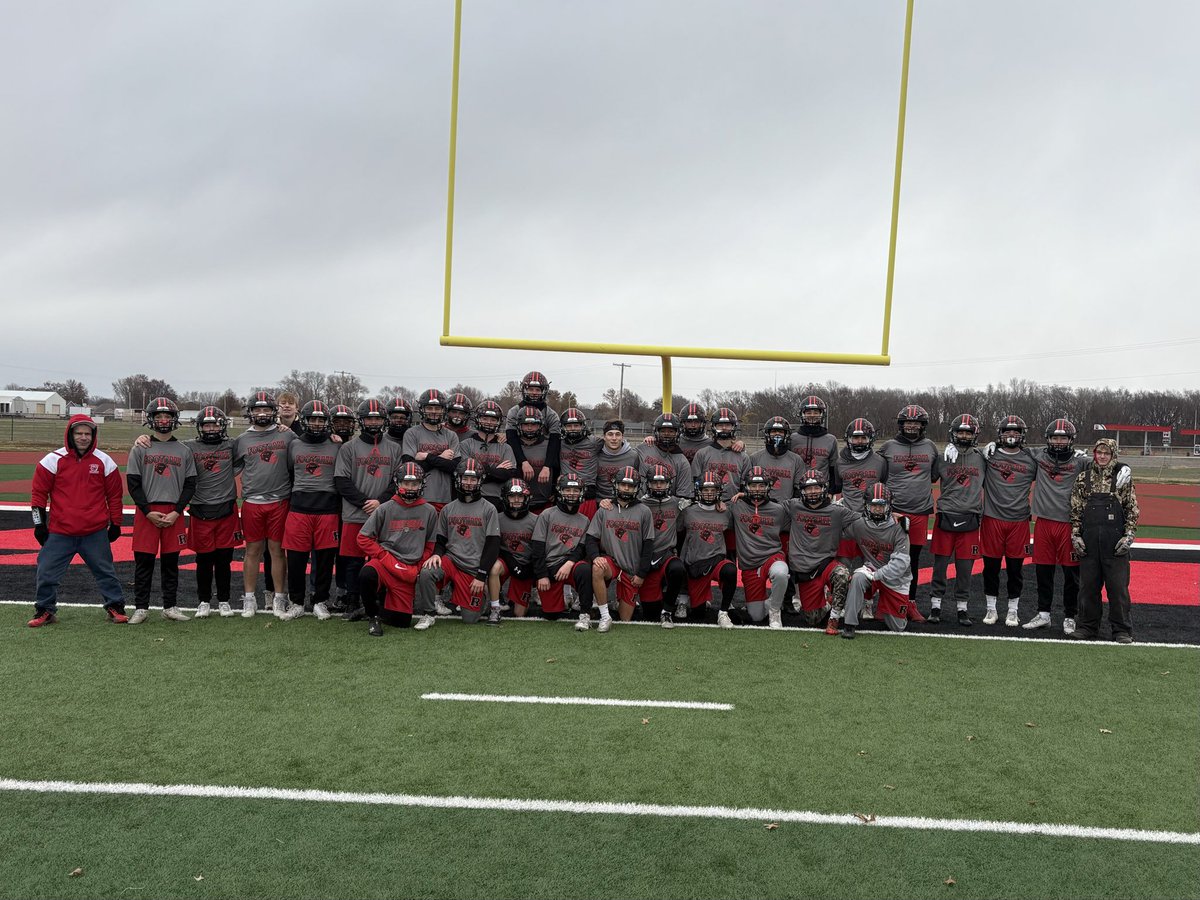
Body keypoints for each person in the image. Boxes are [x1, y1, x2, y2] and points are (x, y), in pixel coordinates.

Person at [27, 415, 128, 627]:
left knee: (106, 572)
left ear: (93, 436)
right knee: (46, 572)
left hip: (95, 531)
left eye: (87, 434)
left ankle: (115, 606)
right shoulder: (52, 460)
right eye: (79, 433)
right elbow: (38, 495)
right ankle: (45, 610)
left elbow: (114, 496)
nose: (83, 437)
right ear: (70, 435)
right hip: (60, 531)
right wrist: (39, 524)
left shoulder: (105, 461)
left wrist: (116, 523)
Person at [126, 397, 196, 624]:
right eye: (159, 416)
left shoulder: (184, 450)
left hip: (173, 512)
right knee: (144, 563)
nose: (164, 420)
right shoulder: (140, 448)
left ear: (174, 419)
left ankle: (170, 606)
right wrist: (147, 511)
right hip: (147, 512)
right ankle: (141, 608)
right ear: (151, 419)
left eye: (167, 416)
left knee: (170, 563)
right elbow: (133, 483)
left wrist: (178, 511)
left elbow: (190, 485)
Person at [356, 463, 441, 637]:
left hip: (409, 567)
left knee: (401, 622)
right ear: (398, 483)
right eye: (406, 483)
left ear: (421, 484)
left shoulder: (429, 511)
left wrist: (418, 566)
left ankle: (373, 608)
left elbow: (430, 544)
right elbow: (362, 538)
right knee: (366, 575)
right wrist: (383, 555)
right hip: (385, 561)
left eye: (414, 483)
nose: (410, 487)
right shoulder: (385, 508)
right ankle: (373, 616)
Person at [334, 399, 401, 621]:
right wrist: (366, 502)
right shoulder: (348, 448)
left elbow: (398, 481)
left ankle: (378, 599)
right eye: (369, 418)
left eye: (378, 418)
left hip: (383, 514)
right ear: (361, 421)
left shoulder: (394, 448)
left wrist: (380, 502)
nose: (374, 422)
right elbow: (342, 481)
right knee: (353, 561)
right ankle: (353, 599)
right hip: (355, 514)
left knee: (381, 560)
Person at [233, 391, 296, 617]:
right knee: (252, 551)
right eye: (257, 409)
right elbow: (229, 466)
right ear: (250, 412)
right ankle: (249, 598)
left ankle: (279, 597)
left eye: (266, 409)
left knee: (277, 551)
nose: (262, 413)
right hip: (252, 502)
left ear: (273, 411)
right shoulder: (242, 440)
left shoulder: (287, 435)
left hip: (279, 501)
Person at [1070, 438, 1139, 643]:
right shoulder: (1083, 478)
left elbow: (1132, 509)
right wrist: (1076, 535)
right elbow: (1076, 510)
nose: (1102, 456)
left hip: (1115, 543)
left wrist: (1128, 536)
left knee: (1118, 589)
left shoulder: (1123, 478)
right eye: (1099, 452)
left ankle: (1121, 630)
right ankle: (1087, 627)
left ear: (1113, 455)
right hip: (1089, 542)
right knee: (1088, 588)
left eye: (1106, 453)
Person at [419, 458, 501, 628]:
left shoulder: (489, 508)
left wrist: (481, 576)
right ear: (458, 479)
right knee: (427, 572)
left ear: (480, 481)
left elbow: (492, 546)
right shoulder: (448, 509)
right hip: (452, 560)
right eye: (465, 478)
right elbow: (441, 540)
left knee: (470, 619)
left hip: (472, 568)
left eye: (473, 479)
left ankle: (481, 596)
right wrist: (436, 554)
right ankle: (428, 613)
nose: (469, 483)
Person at [1024, 419, 1088, 634]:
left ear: (1071, 440)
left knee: (1071, 575)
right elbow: (1013, 450)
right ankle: (1043, 614)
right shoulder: (1039, 455)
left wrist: (1123, 466)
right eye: (1054, 437)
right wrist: (992, 446)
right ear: (1048, 439)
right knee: (1043, 571)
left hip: (1068, 524)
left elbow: (1106, 461)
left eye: (1063, 437)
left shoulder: (1080, 461)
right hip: (1043, 522)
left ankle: (1070, 616)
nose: (1058, 441)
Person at [281, 401, 341, 620]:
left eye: (321, 419)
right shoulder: (294, 444)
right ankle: (296, 602)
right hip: (299, 507)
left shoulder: (336, 444)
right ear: (304, 421)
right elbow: (289, 472)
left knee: (324, 559)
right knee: (296, 559)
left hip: (327, 508)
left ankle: (320, 600)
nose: (316, 423)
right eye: (312, 419)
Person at [877, 404, 940, 605]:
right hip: (893, 511)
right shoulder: (888, 447)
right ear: (901, 424)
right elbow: (877, 473)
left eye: (916, 422)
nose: (912, 426)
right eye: (908, 422)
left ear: (923, 425)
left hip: (920, 510)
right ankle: (886, 603)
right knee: (890, 557)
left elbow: (934, 475)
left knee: (913, 559)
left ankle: (909, 602)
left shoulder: (930, 446)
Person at [928, 414, 986, 627]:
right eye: (960, 432)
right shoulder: (944, 457)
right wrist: (938, 455)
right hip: (946, 515)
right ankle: (935, 606)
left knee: (964, 569)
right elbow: (927, 476)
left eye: (967, 432)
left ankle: (962, 607)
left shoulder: (982, 458)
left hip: (970, 517)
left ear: (974, 434)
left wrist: (994, 448)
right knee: (940, 566)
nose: (963, 436)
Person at [980, 416, 1038, 626]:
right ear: (1000, 434)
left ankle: (1013, 610)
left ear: (1022, 435)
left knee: (1015, 569)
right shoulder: (988, 455)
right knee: (991, 568)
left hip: (1019, 520)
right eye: (1007, 431)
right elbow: (966, 458)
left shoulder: (1031, 458)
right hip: (992, 519)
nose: (1011, 435)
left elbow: (1055, 462)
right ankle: (991, 609)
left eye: (1016, 431)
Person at [185, 406, 241, 618]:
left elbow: (255, 445)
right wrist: (144, 438)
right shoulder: (189, 447)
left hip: (226, 508)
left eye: (215, 425)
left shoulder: (231, 445)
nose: (211, 429)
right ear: (200, 427)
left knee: (224, 559)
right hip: (201, 509)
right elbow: (166, 446)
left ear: (223, 426)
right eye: (206, 425)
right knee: (204, 560)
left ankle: (224, 600)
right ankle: (204, 601)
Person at [586, 465, 655, 631]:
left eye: (630, 485)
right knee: (597, 568)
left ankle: (618, 599)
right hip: (612, 562)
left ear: (637, 488)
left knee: (625, 619)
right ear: (616, 485)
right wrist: (595, 556)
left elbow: (648, 545)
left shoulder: (644, 511)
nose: (626, 488)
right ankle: (605, 616)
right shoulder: (605, 509)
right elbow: (591, 538)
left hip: (631, 569)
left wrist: (641, 574)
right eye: (623, 484)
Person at [840, 484, 913, 638]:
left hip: (896, 579)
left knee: (897, 627)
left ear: (889, 506)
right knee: (858, 577)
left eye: (881, 506)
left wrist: (876, 575)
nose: (878, 510)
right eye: (873, 506)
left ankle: (884, 605)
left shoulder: (899, 527)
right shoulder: (859, 524)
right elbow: (838, 532)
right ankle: (849, 624)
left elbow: (900, 564)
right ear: (866, 505)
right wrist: (836, 511)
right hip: (871, 568)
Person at [782, 469, 851, 633]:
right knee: (812, 619)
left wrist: (891, 516)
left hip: (826, 565)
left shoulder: (837, 511)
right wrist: (745, 498)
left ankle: (834, 619)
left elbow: (863, 522)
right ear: (802, 491)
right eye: (808, 488)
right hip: (806, 570)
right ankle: (827, 602)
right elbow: (768, 507)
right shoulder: (793, 506)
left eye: (816, 487)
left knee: (842, 574)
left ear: (824, 489)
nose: (813, 492)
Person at [531, 473, 595, 630]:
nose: (571, 494)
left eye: (576, 490)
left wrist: (570, 563)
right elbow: (537, 548)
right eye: (567, 490)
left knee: (585, 569)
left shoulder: (584, 520)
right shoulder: (547, 514)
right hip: (550, 567)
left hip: (569, 565)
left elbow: (581, 548)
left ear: (581, 493)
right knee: (551, 615)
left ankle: (585, 615)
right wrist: (542, 575)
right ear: (560, 491)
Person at [729, 466, 789, 627]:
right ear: (746, 486)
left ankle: (775, 610)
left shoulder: (779, 509)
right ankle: (771, 602)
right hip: (750, 564)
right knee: (756, 616)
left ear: (768, 486)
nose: (757, 489)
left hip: (772, 556)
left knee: (781, 573)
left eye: (761, 485)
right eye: (753, 485)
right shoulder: (736, 505)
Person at [677, 471, 737, 627]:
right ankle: (690, 598)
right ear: (699, 490)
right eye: (706, 490)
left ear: (719, 491)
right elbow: (677, 531)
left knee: (730, 570)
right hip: (696, 563)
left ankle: (724, 612)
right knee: (698, 614)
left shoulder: (726, 512)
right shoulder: (688, 511)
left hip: (716, 560)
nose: (709, 493)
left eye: (713, 490)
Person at [638, 465, 687, 628]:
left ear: (669, 484)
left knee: (677, 569)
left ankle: (667, 611)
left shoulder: (677, 503)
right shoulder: (639, 504)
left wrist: (719, 504)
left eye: (663, 482)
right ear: (648, 484)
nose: (659, 486)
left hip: (666, 554)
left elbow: (703, 506)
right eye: (654, 482)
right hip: (646, 558)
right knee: (650, 613)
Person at [835, 418, 887, 565]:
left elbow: (884, 486)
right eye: (855, 437)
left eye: (863, 437)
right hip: (847, 520)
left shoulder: (880, 462)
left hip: (872, 519)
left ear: (871, 439)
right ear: (848, 439)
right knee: (843, 564)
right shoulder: (840, 462)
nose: (859, 441)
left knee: (872, 564)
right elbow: (838, 487)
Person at [401, 389, 461, 510]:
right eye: (429, 408)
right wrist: (441, 458)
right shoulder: (412, 433)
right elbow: (409, 469)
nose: (433, 411)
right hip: (416, 497)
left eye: (437, 408)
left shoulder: (451, 435)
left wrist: (426, 456)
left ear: (443, 410)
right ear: (422, 409)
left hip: (444, 498)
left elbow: (454, 468)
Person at [489, 479, 538, 621]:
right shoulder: (497, 518)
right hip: (505, 561)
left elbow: (539, 550)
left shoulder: (536, 520)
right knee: (493, 568)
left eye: (520, 496)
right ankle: (495, 608)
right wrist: (510, 560)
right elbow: (492, 546)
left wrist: (530, 569)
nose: (516, 500)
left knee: (519, 613)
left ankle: (514, 596)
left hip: (524, 565)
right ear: (505, 498)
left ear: (526, 498)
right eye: (512, 496)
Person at [458, 399, 517, 511]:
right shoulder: (466, 444)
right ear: (477, 419)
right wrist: (495, 471)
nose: (489, 422)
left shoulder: (505, 447)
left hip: (497, 499)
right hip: (470, 497)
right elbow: (465, 473)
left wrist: (480, 470)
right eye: (485, 418)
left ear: (499, 422)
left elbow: (508, 474)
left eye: (493, 419)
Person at [505, 372, 561, 486]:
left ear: (544, 391)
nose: (534, 392)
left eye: (537, 389)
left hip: (542, 454)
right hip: (520, 452)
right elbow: (511, 439)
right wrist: (523, 462)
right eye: (531, 389)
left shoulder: (551, 415)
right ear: (524, 389)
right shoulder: (514, 412)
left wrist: (547, 466)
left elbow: (555, 442)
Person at [691, 408, 751, 503]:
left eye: (727, 425)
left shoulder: (743, 457)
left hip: (734, 504)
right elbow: (695, 482)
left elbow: (747, 485)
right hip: (708, 504)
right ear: (714, 427)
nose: (724, 428)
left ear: (734, 427)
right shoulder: (702, 454)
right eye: (720, 425)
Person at [636, 413, 693, 500]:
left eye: (671, 431)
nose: (667, 434)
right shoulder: (643, 449)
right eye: (663, 431)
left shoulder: (682, 462)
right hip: (641, 504)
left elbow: (682, 496)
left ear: (677, 433)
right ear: (656, 432)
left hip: (667, 506)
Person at [751, 417, 805, 504]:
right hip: (761, 506)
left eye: (780, 431)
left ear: (786, 434)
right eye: (773, 431)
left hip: (786, 507)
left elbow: (798, 489)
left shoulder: (796, 460)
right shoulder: (755, 458)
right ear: (767, 434)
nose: (777, 434)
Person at [558, 408, 600, 518]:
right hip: (566, 492)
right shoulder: (559, 443)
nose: (573, 428)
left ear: (583, 426)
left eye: (576, 425)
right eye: (569, 425)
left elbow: (615, 445)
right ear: (563, 427)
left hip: (587, 493)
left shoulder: (594, 442)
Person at [513, 405, 557, 511]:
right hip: (517, 502)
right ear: (519, 425)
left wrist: (555, 490)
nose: (529, 428)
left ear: (540, 425)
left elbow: (557, 469)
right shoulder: (512, 445)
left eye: (533, 424)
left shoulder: (549, 445)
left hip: (544, 502)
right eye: (526, 424)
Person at [789, 395, 839, 485]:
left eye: (816, 412)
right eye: (808, 413)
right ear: (802, 414)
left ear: (822, 414)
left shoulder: (831, 440)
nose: (812, 415)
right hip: (797, 487)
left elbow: (833, 469)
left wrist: (832, 490)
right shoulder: (792, 438)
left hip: (820, 488)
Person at [595, 420, 640, 507]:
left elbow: (637, 482)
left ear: (622, 437)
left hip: (625, 502)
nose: (614, 438)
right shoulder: (596, 454)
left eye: (618, 434)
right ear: (604, 437)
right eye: (610, 434)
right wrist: (599, 501)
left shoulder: (633, 456)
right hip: (600, 503)